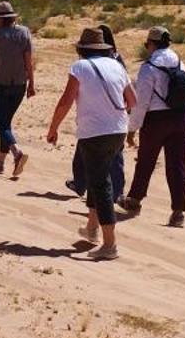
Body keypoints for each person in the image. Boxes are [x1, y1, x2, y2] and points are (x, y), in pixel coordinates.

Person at [46, 27, 136, 260]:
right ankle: (92, 229)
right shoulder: (117, 66)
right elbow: (132, 100)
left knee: (101, 184)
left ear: (82, 49)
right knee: (98, 178)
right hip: (118, 130)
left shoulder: (80, 67)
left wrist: (53, 128)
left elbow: (66, 100)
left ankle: (110, 244)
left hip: (94, 133)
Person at [121, 25, 185, 228]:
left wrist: (132, 128)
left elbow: (141, 102)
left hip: (157, 120)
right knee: (177, 164)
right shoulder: (181, 64)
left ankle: (134, 201)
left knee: (145, 161)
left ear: (151, 44)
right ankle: (178, 213)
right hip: (183, 118)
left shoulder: (149, 67)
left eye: (147, 44)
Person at [70, 22, 126, 206]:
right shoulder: (117, 60)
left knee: (87, 156)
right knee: (115, 158)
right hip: (117, 119)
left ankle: (85, 188)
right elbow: (130, 96)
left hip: (94, 119)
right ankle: (115, 192)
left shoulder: (83, 65)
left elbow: (66, 99)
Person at [0, 0, 35, 179]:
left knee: (0, 124)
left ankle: (17, 153)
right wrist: (32, 84)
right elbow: (29, 61)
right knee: (6, 124)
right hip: (20, 84)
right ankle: (0, 163)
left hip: (0, 83)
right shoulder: (25, 33)